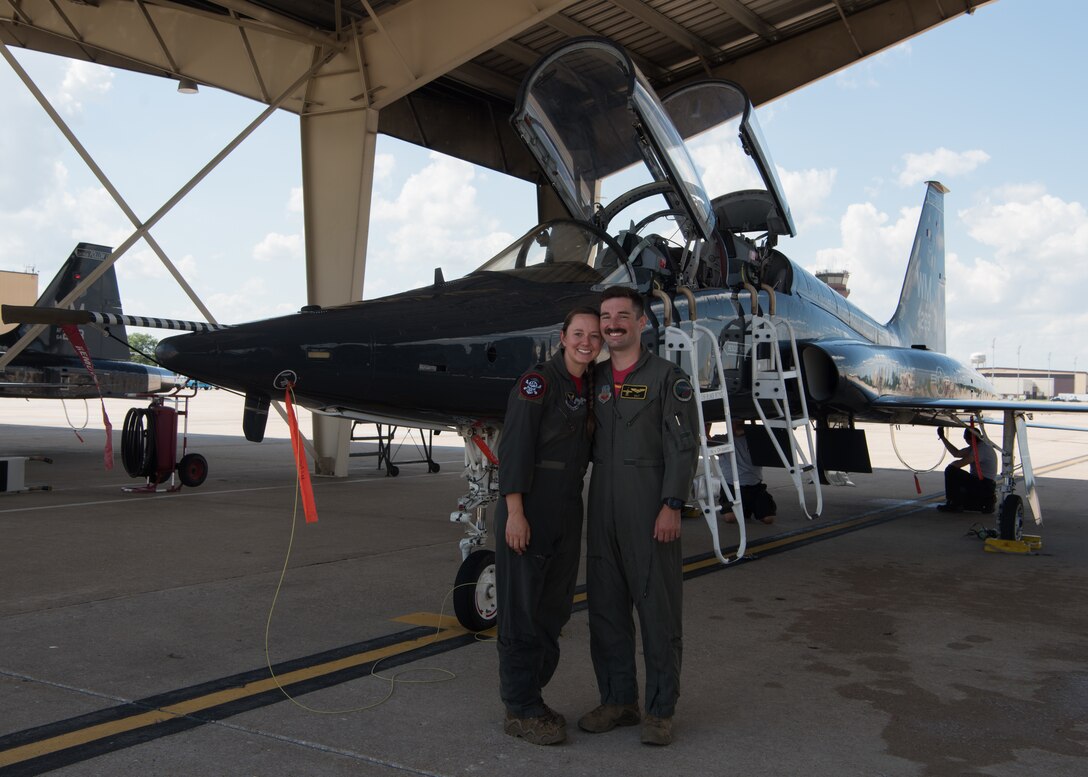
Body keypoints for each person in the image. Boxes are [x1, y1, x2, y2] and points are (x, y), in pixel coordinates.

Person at [578, 286, 701, 747]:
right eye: (606, 316)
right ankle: (618, 701)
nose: (612, 324)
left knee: (658, 613)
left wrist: (672, 504)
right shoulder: (595, 380)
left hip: (650, 508)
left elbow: (683, 447)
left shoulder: (669, 378)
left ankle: (659, 709)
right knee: (606, 612)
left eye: (621, 316)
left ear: (641, 323)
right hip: (603, 506)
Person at [495, 306, 602, 746]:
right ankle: (519, 706)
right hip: (530, 507)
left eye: (594, 336)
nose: (586, 342)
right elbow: (515, 447)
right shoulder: (537, 382)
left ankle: (532, 694)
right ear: (562, 337)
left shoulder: (592, 386)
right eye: (578, 333)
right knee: (521, 611)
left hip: (566, 508)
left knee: (553, 610)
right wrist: (515, 512)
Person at [720, 417, 776, 525]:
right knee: (730, 518)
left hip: (754, 487)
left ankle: (748, 507)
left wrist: (750, 429)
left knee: (769, 519)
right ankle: (743, 508)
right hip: (732, 487)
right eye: (735, 422)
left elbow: (767, 435)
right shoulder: (722, 439)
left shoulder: (754, 439)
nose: (738, 425)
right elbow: (705, 442)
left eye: (741, 422)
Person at [935, 425, 997, 513]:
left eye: (966, 439)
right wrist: (943, 437)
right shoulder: (979, 445)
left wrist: (952, 466)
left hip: (984, 484)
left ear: (970, 439)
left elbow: (960, 464)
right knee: (953, 471)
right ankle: (984, 502)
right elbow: (956, 453)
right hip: (985, 483)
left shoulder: (980, 449)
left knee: (951, 471)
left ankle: (954, 504)